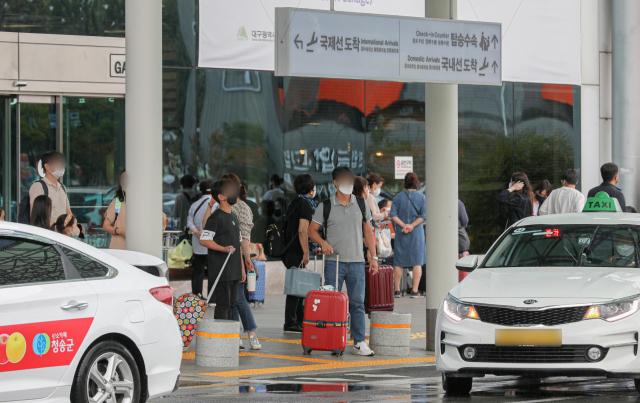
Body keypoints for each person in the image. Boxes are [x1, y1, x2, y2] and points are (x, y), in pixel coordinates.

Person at [308, 166, 378, 357]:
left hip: (356, 261)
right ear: (336, 183)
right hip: (334, 262)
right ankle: (333, 338)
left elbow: (368, 233)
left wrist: (373, 257)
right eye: (343, 181)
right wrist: (323, 243)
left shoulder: (362, 204)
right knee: (332, 304)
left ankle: (359, 342)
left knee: (357, 303)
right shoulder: (325, 206)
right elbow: (311, 230)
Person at [221, 173, 262, 351]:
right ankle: (236, 335)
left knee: (238, 297)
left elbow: (243, 237)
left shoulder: (241, 208)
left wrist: (246, 259)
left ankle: (251, 333)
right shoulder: (223, 206)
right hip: (224, 258)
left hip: (237, 257)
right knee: (233, 298)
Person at [199, 179, 245, 320]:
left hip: (234, 270)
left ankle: (228, 339)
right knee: (223, 305)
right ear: (221, 196)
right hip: (221, 270)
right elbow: (204, 240)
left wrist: (241, 268)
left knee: (231, 305)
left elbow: (238, 244)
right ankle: (219, 339)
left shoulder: (233, 217)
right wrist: (223, 249)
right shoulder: (216, 218)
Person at [283, 173, 318, 333]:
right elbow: (303, 231)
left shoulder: (295, 202)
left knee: (296, 286)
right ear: (311, 189)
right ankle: (291, 322)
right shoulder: (305, 205)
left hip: (289, 250)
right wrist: (306, 252)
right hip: (296, 250)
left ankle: (297, 320)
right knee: (296, 287)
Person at [389, 172, 426, 299]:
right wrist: (411, 226)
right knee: (417, 261)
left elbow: (393, 214)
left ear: (404, 183)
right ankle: (415, 291)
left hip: (401, 232)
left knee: (398, 261)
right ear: (417, 183)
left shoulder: (398, 197)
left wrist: (404, 225)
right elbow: (423, 215)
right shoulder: (422, 197)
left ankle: (397, 290)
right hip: (416, 232)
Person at [187, 179, 216, 297]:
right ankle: (212, 297)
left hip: (198, 243)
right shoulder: (217, 205)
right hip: (213, 243)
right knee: (213, 270)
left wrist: (197, 232)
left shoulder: (195, 205)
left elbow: (189, 222)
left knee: (198, 269)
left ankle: (196, 295)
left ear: (201, 190)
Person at [29, 151, 71, 220]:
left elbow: (69, 213)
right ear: (47, 166)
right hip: (47, 230)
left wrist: (72, 225)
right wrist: (55, 226)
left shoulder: (62, 187)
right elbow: (36, 215)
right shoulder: (38, 186)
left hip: (61, 230)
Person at [103, 170, 127, 249]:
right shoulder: (118, 202)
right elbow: (106, 226)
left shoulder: (143, 204)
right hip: (119, 249)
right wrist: (120, 231)